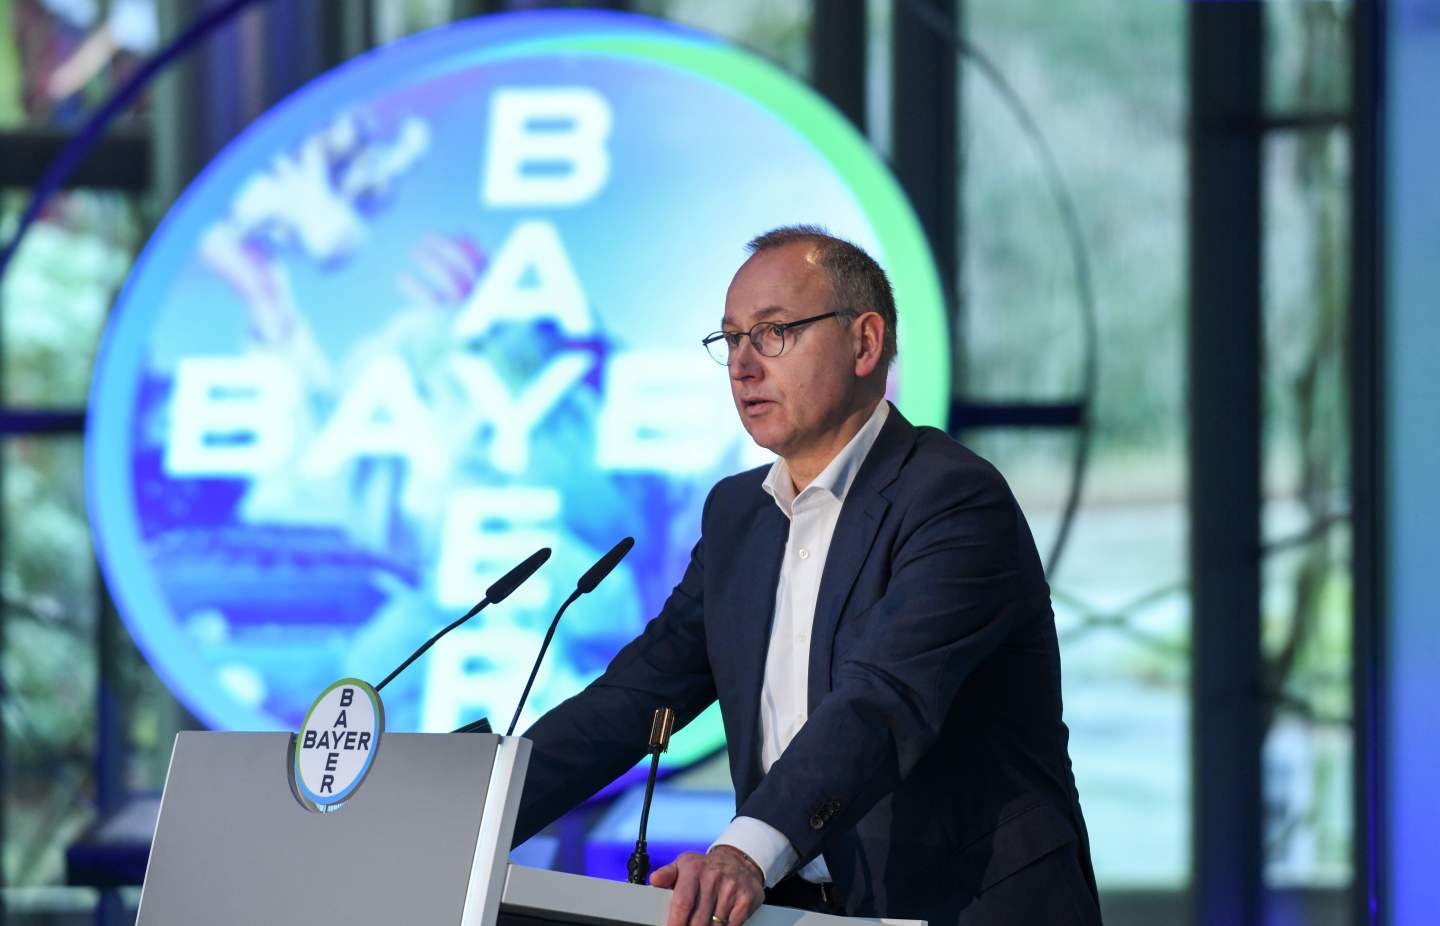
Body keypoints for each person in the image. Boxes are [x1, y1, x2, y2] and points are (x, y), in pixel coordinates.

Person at [512, 226, 1101, 925]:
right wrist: (462, 813)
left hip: (962, 903)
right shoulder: (737, 515)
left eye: (773, 332)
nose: (742, 365)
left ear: (865, 342)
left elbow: (882, 702)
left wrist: (743, 853)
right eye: (730, 340)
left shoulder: (952, 499)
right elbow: (634, 698)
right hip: (793, 913)